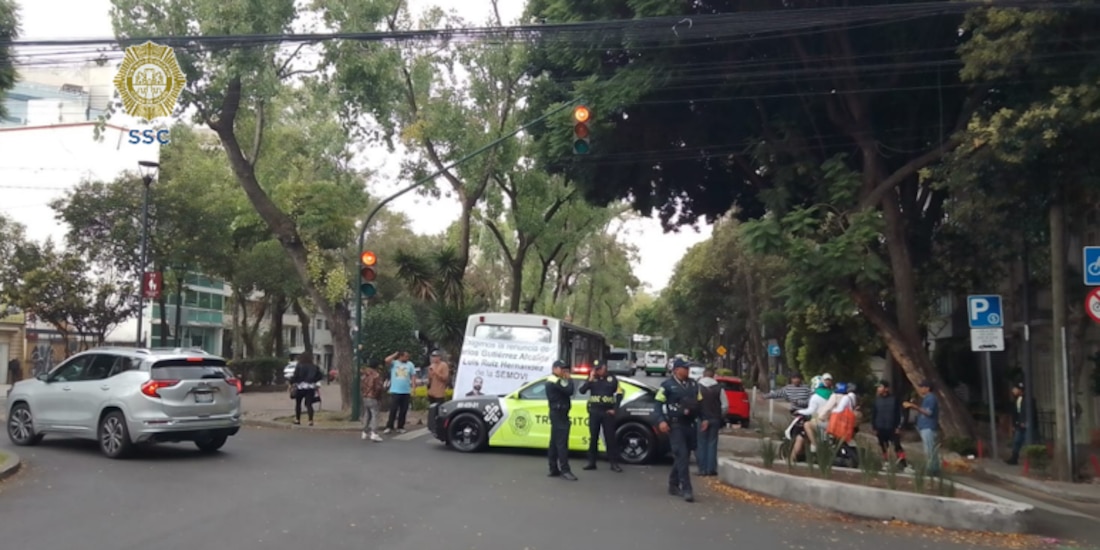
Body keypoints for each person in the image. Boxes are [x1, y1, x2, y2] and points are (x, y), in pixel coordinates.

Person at [655, 358, 702, 502]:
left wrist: (704, 418)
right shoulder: (667, 385)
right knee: (681, 455)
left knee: (684, 456)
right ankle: (686, 489)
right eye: (685, 368)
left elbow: (700, 402)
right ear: (676, 370)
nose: (687, 370)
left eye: (688, 368)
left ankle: (673, 484)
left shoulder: (693, 384)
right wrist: (661, 420)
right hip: (675, 425)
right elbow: (657, 404)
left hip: (690, 425)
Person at [579, 361, 623, 472]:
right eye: (598, 369)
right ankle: (591, 462)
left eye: (601, 368)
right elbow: (582, 391)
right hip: (594, 412)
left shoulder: (612, 379)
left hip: (607, 412)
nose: (600, 370)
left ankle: (614, 463)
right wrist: (590, 379)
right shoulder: (592, 379)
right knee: (593, 438)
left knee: (610, 438)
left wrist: (615, 409)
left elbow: (619, 394)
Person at [546, 360, 577, 480]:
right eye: (561, 368)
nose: (564, 371)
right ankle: (565, 470)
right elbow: (569, 391)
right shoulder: (555, 380)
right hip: (559, 414)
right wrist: (570, 379)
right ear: (554, 369)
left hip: (558, 413)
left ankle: (553, 468)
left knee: (554, 442)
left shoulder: (556, 379)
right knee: (562, 443)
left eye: (565, 369)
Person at [789, 375, 831, 462]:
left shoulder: (815, 397)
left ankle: (791, 460)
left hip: (818, 424)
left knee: (801, 436)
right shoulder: (831, 394)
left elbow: (810, 410)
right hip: (830, 423)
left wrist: (799, 411)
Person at [904, 381, 940, 475]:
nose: (920, 389)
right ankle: (933, 468)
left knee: (929, 449)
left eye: (922, 387)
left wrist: (914, 406)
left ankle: (931, 469)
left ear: (928, 388)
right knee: (929, 448)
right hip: (924, 427)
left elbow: (929, 412)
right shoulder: (926, 398)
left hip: (928, 427)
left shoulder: (931, 398)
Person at [696, 367, 728, 476]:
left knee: (701, 444)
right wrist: (720, 415)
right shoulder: (719, 388)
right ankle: (711, 469)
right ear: (713, 376)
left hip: (701, 419)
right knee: (712, 443)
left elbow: (694, 403)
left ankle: (702, 469)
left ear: (703, 375)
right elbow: (725, 405)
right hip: (715, 419)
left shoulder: (697, 387)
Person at [871, 380, 908, 469]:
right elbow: (874, 414)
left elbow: (901, 414)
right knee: (883, 446)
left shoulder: (894, 399)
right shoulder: (877, 400)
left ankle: (904, 464)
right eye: (878, 387)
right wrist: (874, 427)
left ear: (886, 388)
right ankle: (886, 462)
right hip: (880, 427)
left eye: (881, 387)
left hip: (892, 427)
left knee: (897, 446)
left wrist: (899, 426)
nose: (879, 389)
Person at [383, 351, 418, 435]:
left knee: (403, 410)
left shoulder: (410, 364)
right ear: (401, 356)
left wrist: (413, 388)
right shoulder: (394, 363)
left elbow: (413, 376)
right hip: (395, 390)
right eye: (405, 356)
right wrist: (395, 354)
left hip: (405, 391)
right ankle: (389, 426)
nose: (407, 358)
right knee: (393, 409)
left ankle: (400, 426)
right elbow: (386, 360)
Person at [1007, 382, 1038, 465]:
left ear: (1020, 390)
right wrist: (1014, 424)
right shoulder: (1017, 400)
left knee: (1029, 443)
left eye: (1015, 389)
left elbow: (1031, 413)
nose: (1013, 390)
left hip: (1027, 426)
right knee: (1016, 441)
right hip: (1019, 425)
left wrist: (1027, 422)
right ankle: (1014, 458)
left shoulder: (1029, 399)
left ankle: (1032, 461)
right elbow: (1016, 413)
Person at [289, 357, 324, 426]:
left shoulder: (299, 365)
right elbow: (320, 376)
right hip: (310, 387)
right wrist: (314, 381)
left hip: (300, 387)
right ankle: (310, 420)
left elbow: (295, 376)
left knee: (298, 404)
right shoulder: (314, 367)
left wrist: (291, 382)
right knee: (309, 404)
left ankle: (297, 420)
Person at [360, 365, 384, 442]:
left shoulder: (365, 375)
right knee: (375, 415)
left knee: (367, 414)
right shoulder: (376, 375)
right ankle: (374, 433)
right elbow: (378, 388)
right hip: (373, 397)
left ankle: (364, 432)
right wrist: (377, 396)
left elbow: (361, 386)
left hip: (365, 397)